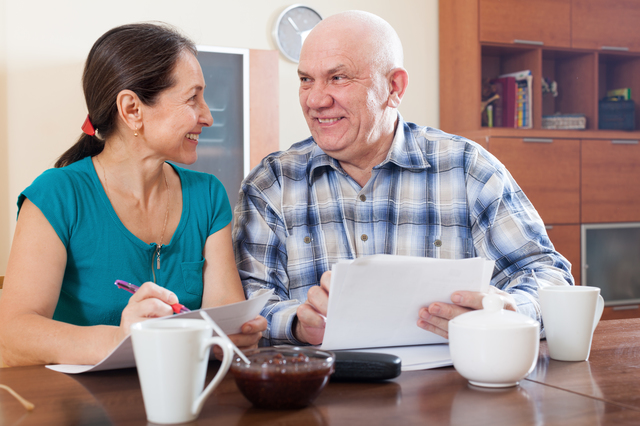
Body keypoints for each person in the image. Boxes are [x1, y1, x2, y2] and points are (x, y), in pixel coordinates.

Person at [232, 11, 573, 346]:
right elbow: (249, 304)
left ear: (394, 87)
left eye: (338, 78)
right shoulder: (270, 183)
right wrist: (297, 324)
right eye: (306, 79)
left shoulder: (468, 169)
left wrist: (510, 310)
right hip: (321, 393)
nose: (316, 99)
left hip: (448, 392)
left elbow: (548, 277)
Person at [0, 22, 266, 366]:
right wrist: (126, 340)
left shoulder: (208, 195)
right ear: (131, 110)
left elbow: (221, 321)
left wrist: (232, 337)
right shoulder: (56, 195)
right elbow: (11, 336)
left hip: (186, 399)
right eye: (192, 98)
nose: (208, 116)